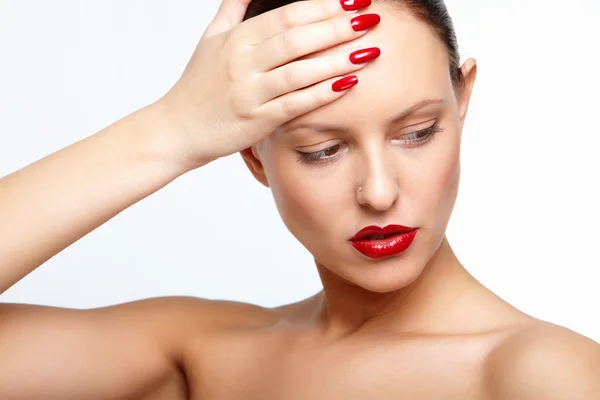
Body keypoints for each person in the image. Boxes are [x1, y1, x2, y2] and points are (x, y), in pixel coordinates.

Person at [0, 0, 598, 398]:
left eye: (417, 132)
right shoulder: (206, 354)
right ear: (255, 155)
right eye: (322, 150)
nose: (380, 192)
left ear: (461, 101)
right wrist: (169, 131)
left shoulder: (540, 373)